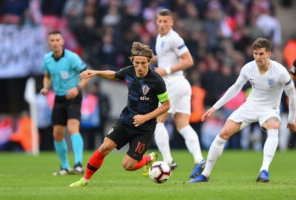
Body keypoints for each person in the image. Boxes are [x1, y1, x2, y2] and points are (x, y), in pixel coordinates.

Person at [190, 38, 296, 183]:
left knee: (273, 127)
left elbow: (292, 94)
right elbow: (235, 88)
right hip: (250, 106)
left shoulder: (280, 71)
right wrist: (215, 107)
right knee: (223, 133)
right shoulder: (248, 68)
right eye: (255, 54)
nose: (257, 57)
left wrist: (291, 120)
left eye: (261, 54)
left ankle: (264, 171)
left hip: (270, 109)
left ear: (269, 54)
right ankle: (205, 174)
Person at [69, 42, 170, 187]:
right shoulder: (129, 71)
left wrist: (145, 118)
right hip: (126, 120)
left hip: (144, 128)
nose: (140, 67)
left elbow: (166, 105)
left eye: (143, 63)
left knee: (128, 165)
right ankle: (85, 180)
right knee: (104, 147)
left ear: (149, 62)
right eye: (137, 63)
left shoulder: (157, 81)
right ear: (132, 62)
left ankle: (149, 159)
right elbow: (113, 75)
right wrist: (95, 72)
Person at [151, 9, 204, 177]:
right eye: (159, 21)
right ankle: (199, 160)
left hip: (173, 84)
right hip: (180, 84)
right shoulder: (160, 38)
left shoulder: (174, 38)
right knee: (183, 125)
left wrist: (165, 70)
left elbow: (188, 61)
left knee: (157, 121)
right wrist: (151, 59)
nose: (162, 24)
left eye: (165, 21)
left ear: (171, 23)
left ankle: (168, 161)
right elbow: (166, 58)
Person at [40, 30, 90, 175]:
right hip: (59, 97)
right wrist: (46, 87)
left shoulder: (72, 57)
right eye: (52, 40)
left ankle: (79, 164)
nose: (55, 43)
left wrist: (77, 88)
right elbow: (47, 76)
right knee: (57, 133)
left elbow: (87, 75)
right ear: (49, 43)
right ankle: (64, 167)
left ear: (62, 42)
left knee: (73, 127)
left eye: (57, 40)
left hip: (74, 96)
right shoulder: (47, 59)